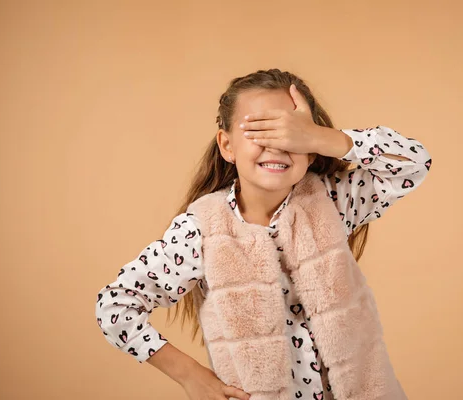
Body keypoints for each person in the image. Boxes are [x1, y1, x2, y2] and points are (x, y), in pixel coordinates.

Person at [95, 68, 432, 400]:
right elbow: (116, 306)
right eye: (259, 132)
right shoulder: (201, 230)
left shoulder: (333, 201)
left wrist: (319, 136)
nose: (277, 146)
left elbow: (414, 163)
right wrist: (189, 375)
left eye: (291, 135)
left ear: (311, 149)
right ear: (227, 145)